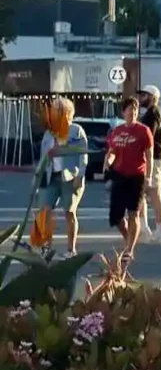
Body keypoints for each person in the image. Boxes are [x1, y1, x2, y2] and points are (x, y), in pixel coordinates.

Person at [104, 95, 153, 263]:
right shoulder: (117, 131)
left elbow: (149, 155)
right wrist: (108, 163)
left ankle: (130, 249)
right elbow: (112, 152)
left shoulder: (143, 131)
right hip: (119, 175)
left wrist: (149, 177)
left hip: (137, 176)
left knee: (133, 213)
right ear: (123, 112)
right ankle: (128, 239)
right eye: (129, 109)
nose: (132, 112)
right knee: (116, 217)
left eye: (135, 110)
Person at [40, 97, 88, 258]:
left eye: (58, 111)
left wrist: (80, 176)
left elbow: (83, 155)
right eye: (54, 111)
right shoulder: (49, 133)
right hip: (51, 177)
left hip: (70, 177)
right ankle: (46, 247)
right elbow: (43, 157)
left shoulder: (76, 130)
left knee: (69, 212)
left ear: (67, 113)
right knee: (45, 210)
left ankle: (70, 249)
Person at [139, 84, 161, 241]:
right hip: (157, 157)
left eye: (144, 95)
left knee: (154, 193)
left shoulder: (152, 114)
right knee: (142, 192)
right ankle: (144, 228)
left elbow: (148, 137)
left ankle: (160, 230)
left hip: (154, 157)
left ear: (152, 97)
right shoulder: (159, 113)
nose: (141, 98)